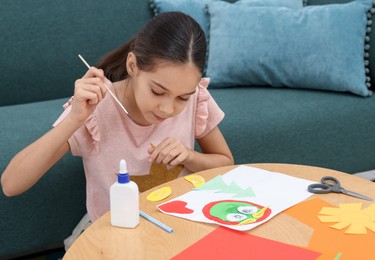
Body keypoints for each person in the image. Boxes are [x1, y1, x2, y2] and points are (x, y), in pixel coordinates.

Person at [1, 11, 233, 232]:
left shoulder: (196, 98)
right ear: (132, 65)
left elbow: (226, 163)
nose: (168, 108)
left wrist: (189, 156)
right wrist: (75, 119)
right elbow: (11, 185)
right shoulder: (96, 107)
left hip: (175, 227)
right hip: (115, 234)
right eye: (157, 91)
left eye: (182, 97)